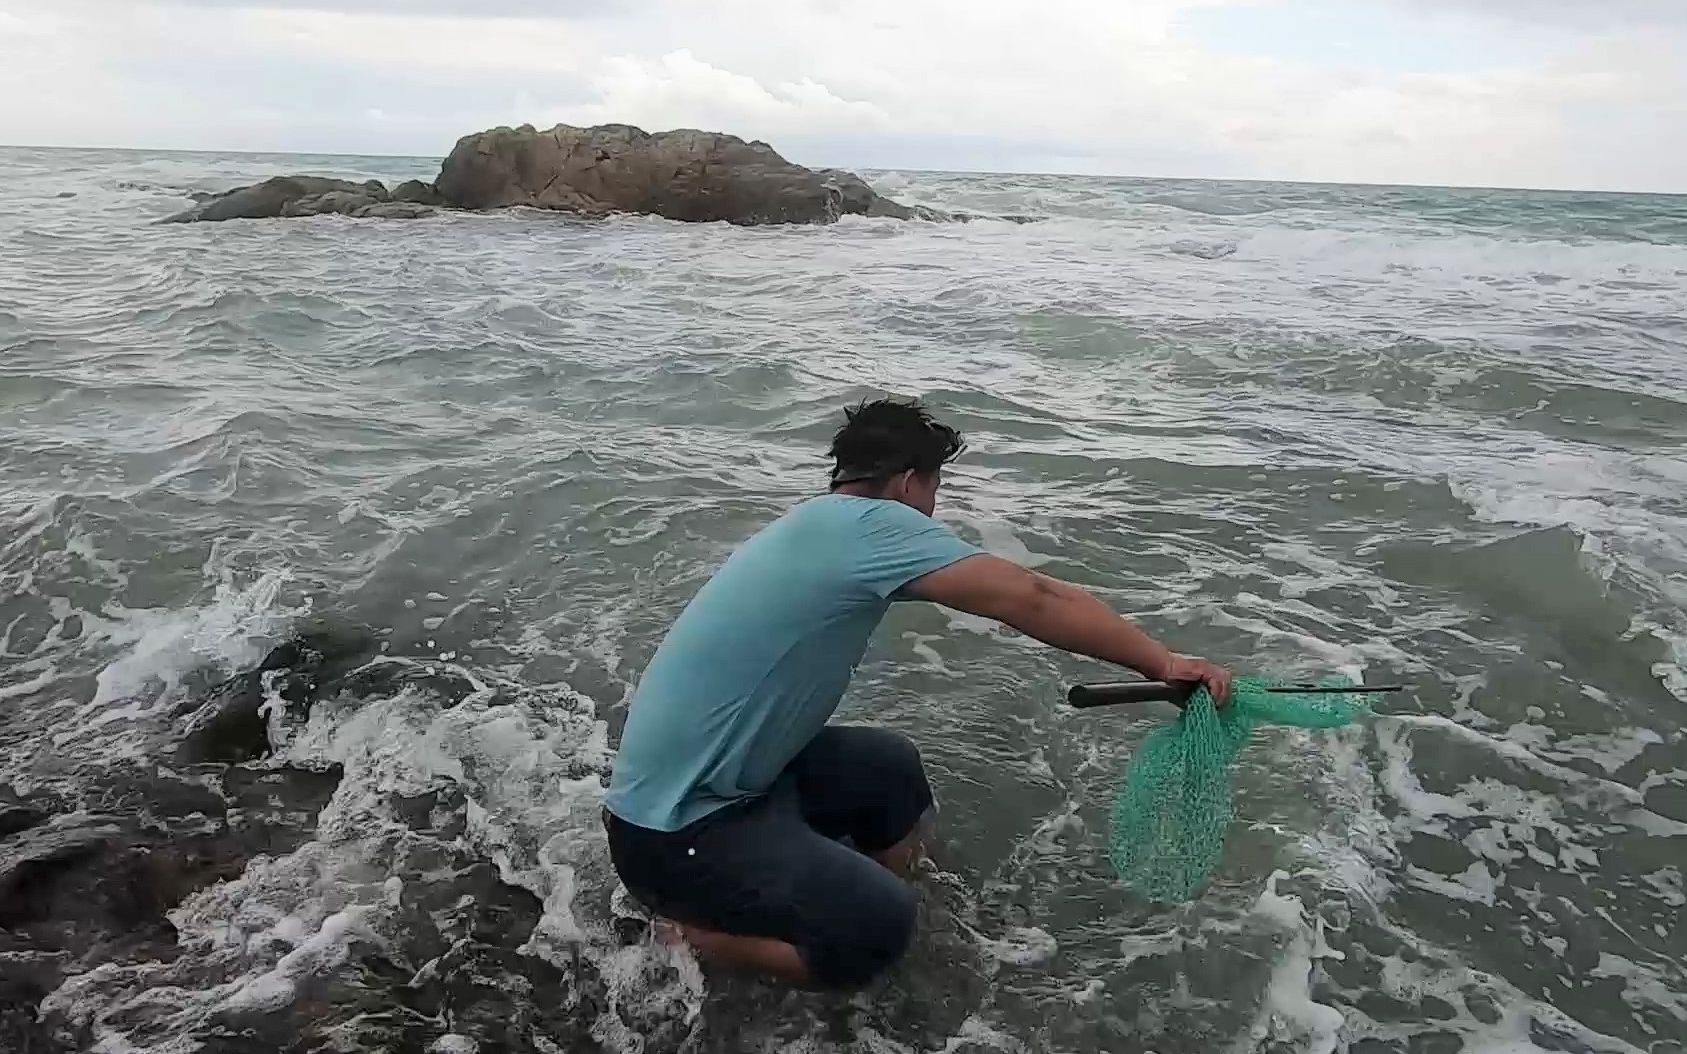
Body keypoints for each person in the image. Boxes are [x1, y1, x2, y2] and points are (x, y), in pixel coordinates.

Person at [603, 397, 1232, 990]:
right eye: (934, 487)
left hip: (702, 792)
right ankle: (689, 934)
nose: (932, 504)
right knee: (875, 926)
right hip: (670, 834)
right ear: (908, 483)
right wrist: (1165, 661)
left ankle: (821, 899)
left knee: (887, 769)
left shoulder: (818, 526)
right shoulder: (875, 528)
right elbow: (1033, 597)